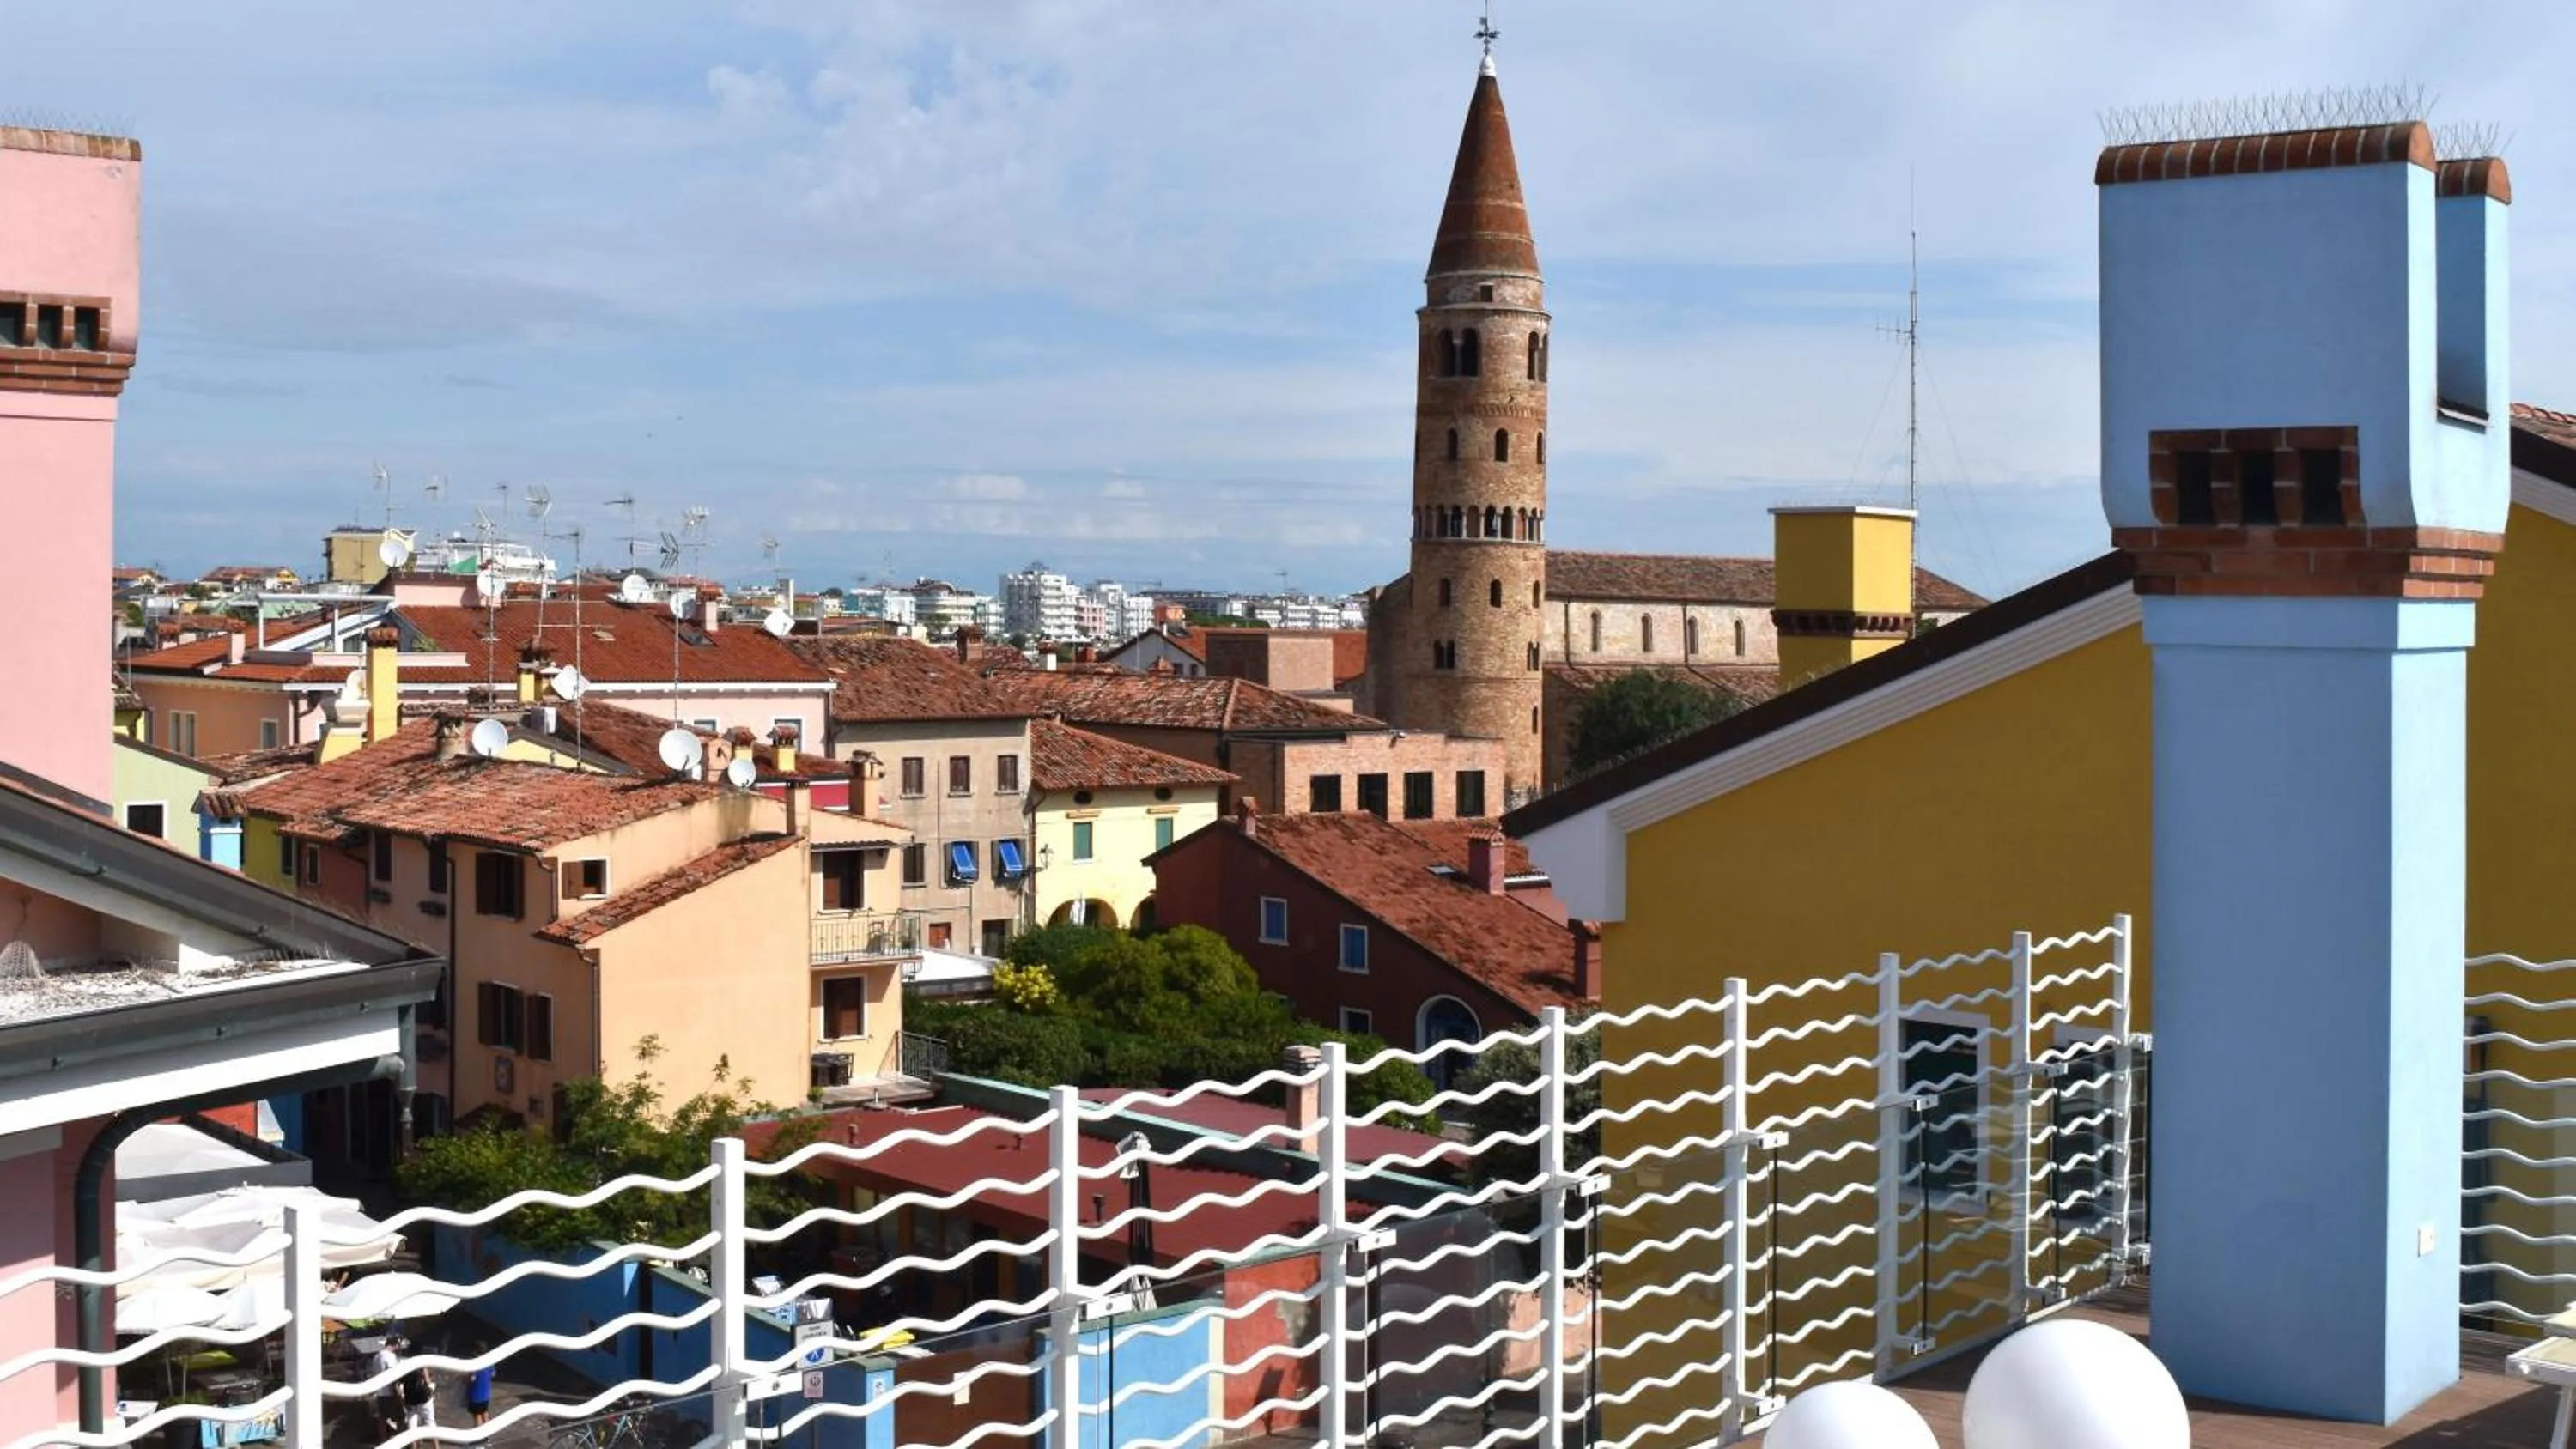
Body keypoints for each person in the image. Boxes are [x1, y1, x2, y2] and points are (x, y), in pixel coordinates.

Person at [368, 1336, 404, 1438]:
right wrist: (398, 1394)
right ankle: (400, 1439)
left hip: (379, 1393)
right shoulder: (390, 1357)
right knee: (400, 1417)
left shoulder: (376, 1356)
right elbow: (393, 1377)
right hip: (390, 1393)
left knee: (382, 1418)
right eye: (398, 1345)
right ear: (395, 1344)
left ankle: (383, 1440)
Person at [397, 1356, 437, 1431]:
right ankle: (435, 1442)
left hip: (410, 1401)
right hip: (423, 1399)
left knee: (411, 1426)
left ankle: (417, 1442)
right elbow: (428, 1381)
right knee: (430, 1423)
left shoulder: (404, 1372)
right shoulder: (421, 1369)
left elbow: (398, 1385)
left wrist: (402, 1400)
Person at [465, 1361, 495, 1427]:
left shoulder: (476, 1365)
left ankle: (481, 1435)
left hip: (476, 1396)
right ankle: (487, 1433)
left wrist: (464, 1378)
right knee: (485, 1413)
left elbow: (472, 1379)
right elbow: (493, 1374)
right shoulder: (490, 1363)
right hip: (486, 1395)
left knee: (477, 1415)